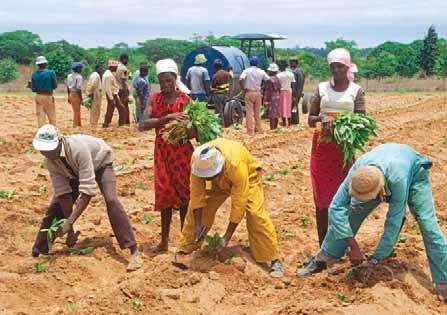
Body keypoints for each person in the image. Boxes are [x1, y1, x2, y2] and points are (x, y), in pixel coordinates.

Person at [297, 143, 447, 303]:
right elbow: (335, 208)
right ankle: (327, 254)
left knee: (427, 223)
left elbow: (394, 220)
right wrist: (352, 245)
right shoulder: (358, 173)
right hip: (383, 168)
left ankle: (443, 280)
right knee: (354, 210)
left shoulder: (398, 179)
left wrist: (375, 259)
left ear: (380, 192)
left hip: (414, 173)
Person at [31, 124, 142, 271]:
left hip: (100, 163)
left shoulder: (78, 149)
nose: (45, 152)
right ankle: (40, 249)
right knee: (55, 206)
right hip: (73, 171)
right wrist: (69, 230)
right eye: (42, 149)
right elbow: (64, 194)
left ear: (59, 142)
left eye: (48, 149)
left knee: (111, 200)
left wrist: (70, 222)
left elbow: (87, 191)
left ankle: (133, 250)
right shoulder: (49, 160)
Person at [178, 138, 284, 278]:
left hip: (248, 177)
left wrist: (226, 237)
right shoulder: (198, 162)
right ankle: (185, 249)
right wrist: (198, 225)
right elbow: (197, 195)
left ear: (219, 166)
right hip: (218, 183)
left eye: (212, 174)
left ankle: (274, 259)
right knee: (199, 210)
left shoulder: (235, 164)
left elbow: (239, 203)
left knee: (255, 214)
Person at [308, 48, 365, 246]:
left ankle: (342, 243)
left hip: (344, 151)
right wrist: (323, 118)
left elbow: (362, 119)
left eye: (340, 66)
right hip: (323, 149)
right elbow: (310, 119)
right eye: (333, 66)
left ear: (347, 67)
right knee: (322, 201)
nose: (336, 70)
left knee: (343, 199)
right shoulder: (321, 88)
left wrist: (342, 122)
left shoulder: (356, 91)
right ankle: (322, 246)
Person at [138, 59, 194, 252]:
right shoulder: (155, 99)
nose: (165, 85)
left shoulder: (186, 101)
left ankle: (185, 240)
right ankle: (164, 241)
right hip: (163, 152)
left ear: (175, 79)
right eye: (162, 81)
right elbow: (142, 124)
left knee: (185, 195)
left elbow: (194, 132)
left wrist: (186, 127)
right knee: (165, 195)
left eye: (169, 81)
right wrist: (165, 119)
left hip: (182, 152)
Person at [239, 56, 269, 136]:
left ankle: (250, 131)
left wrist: (243, 88)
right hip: (258, 93)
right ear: (257, 63)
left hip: (249, 92)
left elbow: (241, 79)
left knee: (249, 112)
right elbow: (268, 80)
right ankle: (258, 129)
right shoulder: (261, 71)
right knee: (257, 112)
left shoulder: (246, 71)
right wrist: (263, 88)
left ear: (250, 63)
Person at [31, 56, 58, 127]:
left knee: (40, 117)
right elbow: (55, 86)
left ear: (38, 64)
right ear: (45, 63)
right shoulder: (51, 73)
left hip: (38, 97)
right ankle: (53, 132)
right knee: (52, 116)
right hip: (48, 96)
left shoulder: (34, 74)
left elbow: (33, 89)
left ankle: (41, 133)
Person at [102, 60, 124, 128]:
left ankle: (106, 123)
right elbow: (108, 88)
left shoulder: (109, 73)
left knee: (111, 110)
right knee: (120, 109)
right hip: (112, 95)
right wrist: (111, 99)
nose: (116, 68)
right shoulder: (108, 75)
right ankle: (120, 124)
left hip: (114, 94)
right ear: (111, 67)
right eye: (115, 67)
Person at [277, 60, 295, 127]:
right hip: (289, 92)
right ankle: (289, 123)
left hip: (281, 92)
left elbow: (278, 86)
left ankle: (284, 122)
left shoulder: (278, 75)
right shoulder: (291, 74)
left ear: (280, 67)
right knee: (288, 107)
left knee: (282, 107)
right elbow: (293, 85)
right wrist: (294, 95)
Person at [263, 63, 281, 130]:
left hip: (272, 97)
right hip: (277, 96)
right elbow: (279, 88)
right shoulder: (278, 79)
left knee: (272, 114)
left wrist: (266, 100)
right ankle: (276, 128)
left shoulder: (269, 80)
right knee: (276, 113)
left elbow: (269, 90)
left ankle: (272, 128)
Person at [66, 62, 84, 127]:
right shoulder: (79, 77)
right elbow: (79, 89)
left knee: (76, 110)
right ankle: (75, 125)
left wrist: (68, 97)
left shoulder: (69, 76)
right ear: (78, 69)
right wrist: (81, 98)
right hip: (76, 94)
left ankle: (79, 124)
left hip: (71, 93)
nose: (81, 69)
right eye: (81, 68)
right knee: (77, 111)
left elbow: (67, 87)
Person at [289, 58, 305, 124]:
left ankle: (295, 120)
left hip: (295, 91)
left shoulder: (294, 72)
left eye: (291, 62)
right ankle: (294, 120)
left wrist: (294, 92)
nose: (290, 64)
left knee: (294, 106)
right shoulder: (301, 71)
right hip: (299, 91)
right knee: (294, 105)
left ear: (295, 63)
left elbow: (294, 83)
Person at [116, 53, 130, 125]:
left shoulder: (117, 67)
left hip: (117, 89)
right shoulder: (124, 69)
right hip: (122, 90)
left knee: (121, 106)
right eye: (127, 59)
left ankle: (122, 122)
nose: (127, 61)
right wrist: (126, 94)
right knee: (125, 106)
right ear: (124, 59)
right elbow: (123, 81)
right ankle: (125, 123)